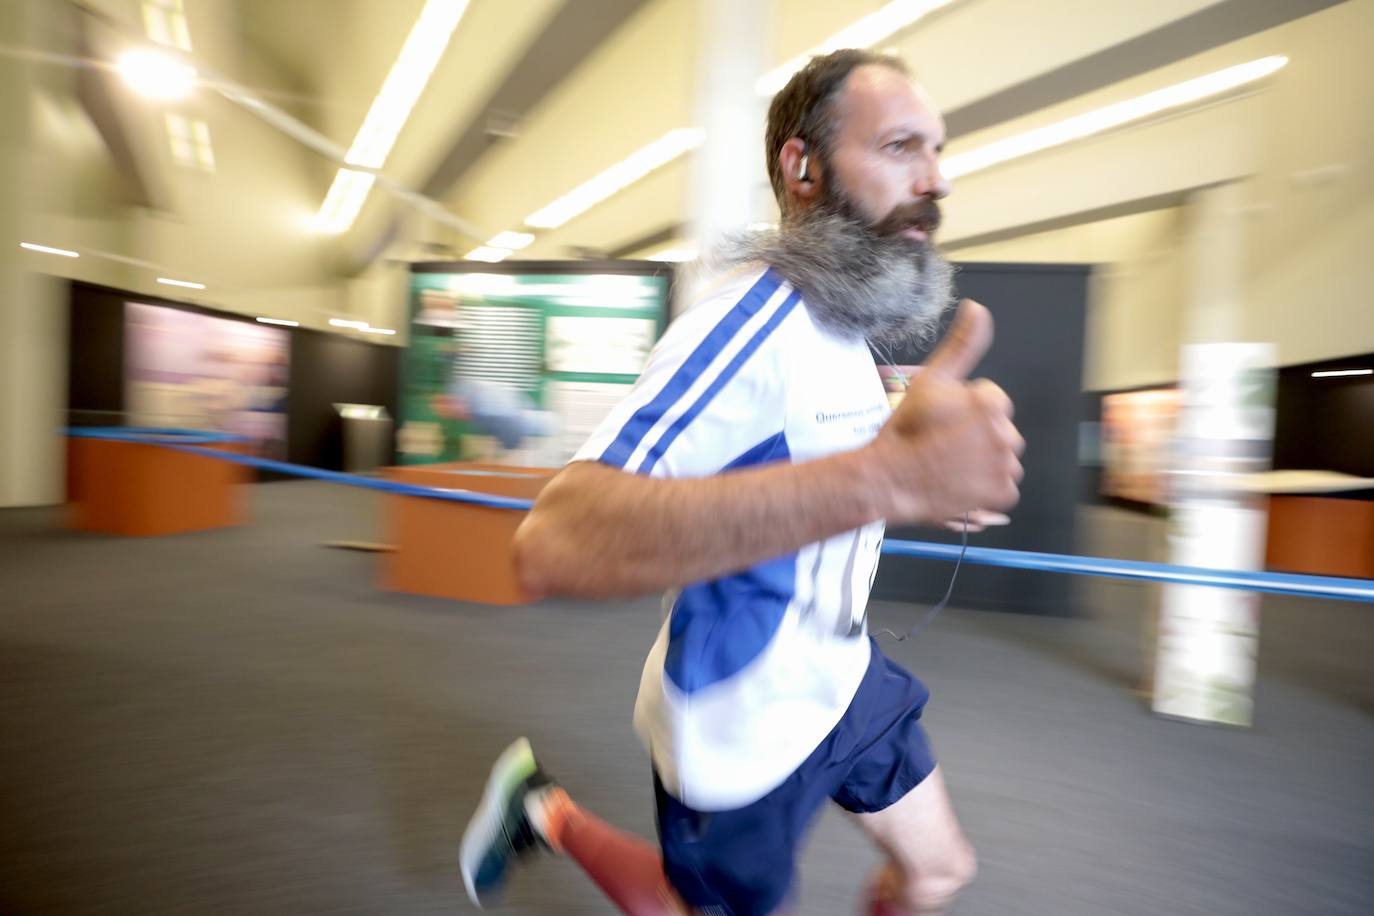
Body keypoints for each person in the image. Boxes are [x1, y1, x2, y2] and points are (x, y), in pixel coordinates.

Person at [459, 48, 1024, 916]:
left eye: (938, 151)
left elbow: (816, 452)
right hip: (740, 725)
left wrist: (921, 455)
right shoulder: (746, 326)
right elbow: (554, 542)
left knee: (939, 873)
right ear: (803, 168)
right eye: (902, 147)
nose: (936, 179)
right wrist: (891, 478)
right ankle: (546, 809)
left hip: (841, 675)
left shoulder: (847, 328)